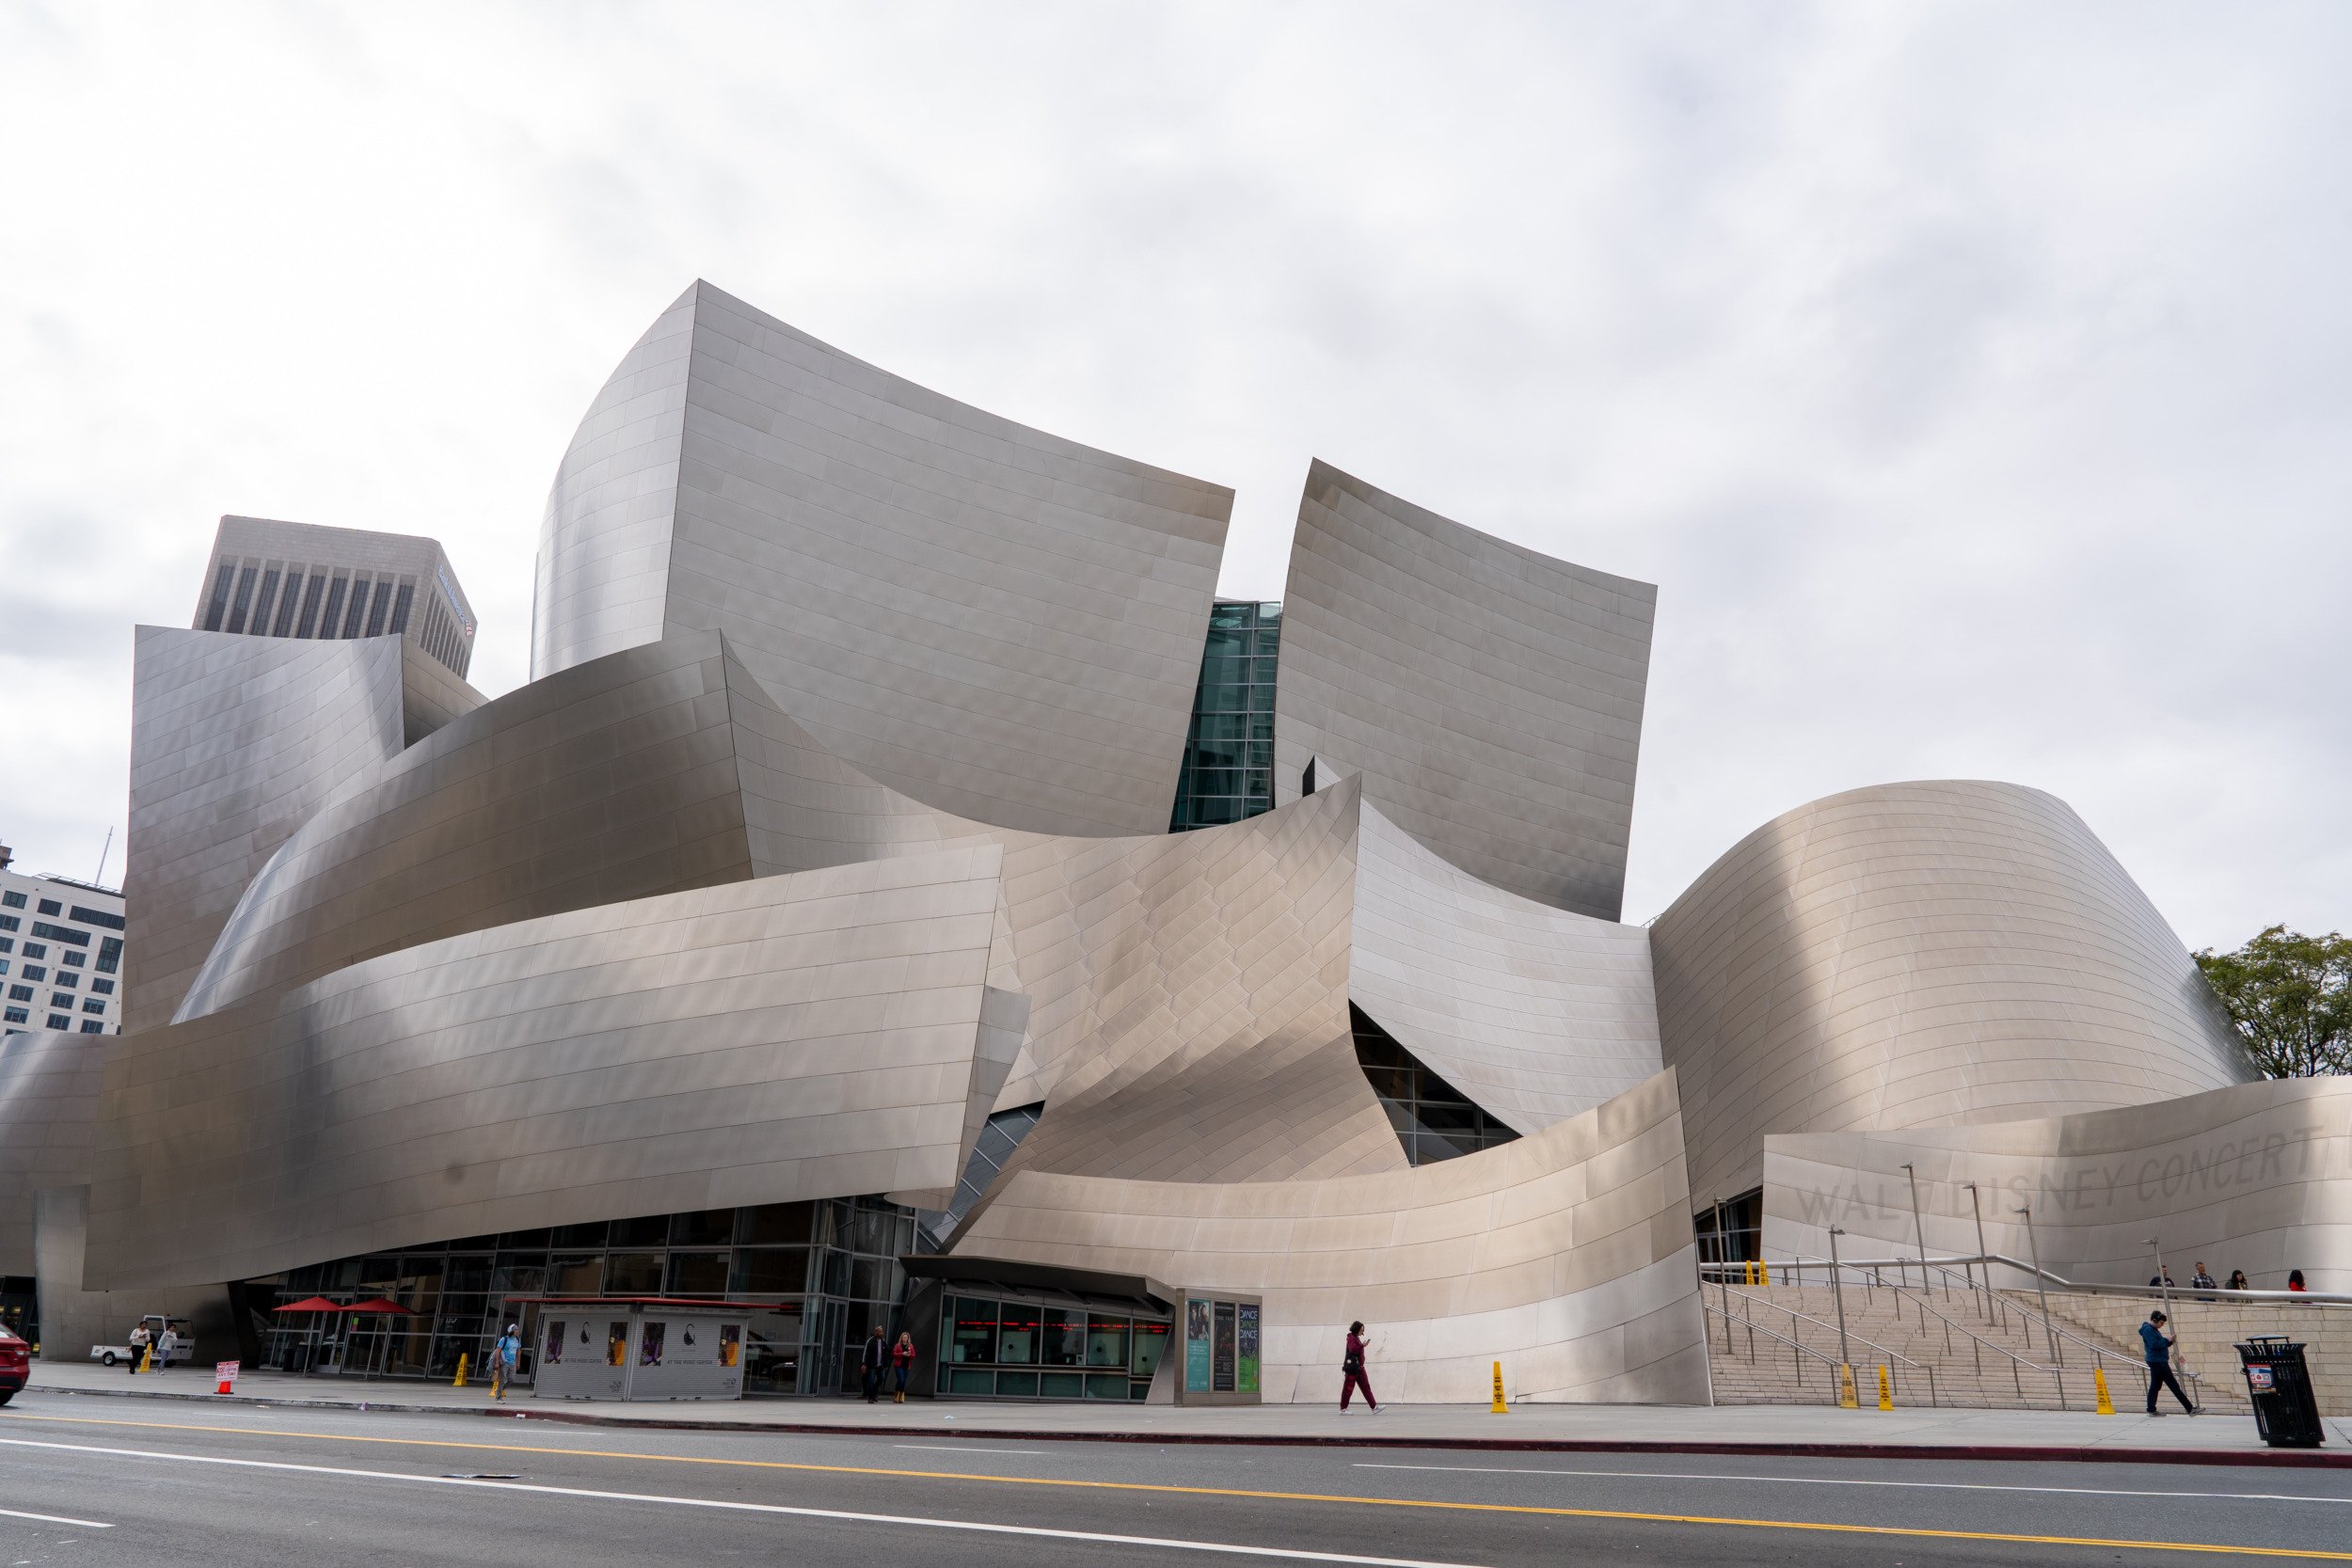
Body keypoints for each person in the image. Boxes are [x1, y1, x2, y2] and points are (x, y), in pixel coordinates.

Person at [2138, 1310, 2197, 1416]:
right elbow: (2155, 1345)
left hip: (2158, 1360)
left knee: (2155, 1386)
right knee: (2173, 1385)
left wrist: (2170, 1341)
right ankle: (2189, 1408)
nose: (2162, 1325)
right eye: (2161, 1323)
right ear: (2155, 1320)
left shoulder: (2153, 1330)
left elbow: (2161, 1344)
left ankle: (2151, 1408)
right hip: (2158, 1361)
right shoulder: (2148, 1330)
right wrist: (2166, 1339)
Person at [1339, 1321, 1380, 1414]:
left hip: (1359, 1368)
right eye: (1361, 1331)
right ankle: (1343, 1408)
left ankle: (1374, 1407)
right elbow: (1353, 1350)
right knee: (1348, 1388)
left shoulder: (1356, 1338)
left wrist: (1362, 1346)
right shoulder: (1351, 1338)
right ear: (1356, 1329)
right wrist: (1362, 1346)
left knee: (1366, 1387)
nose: (1362, 1333)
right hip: (1353, 1368)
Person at [492, 1323, 522, 1401]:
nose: (517, 1331)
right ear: (511, 1331)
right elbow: (498, 1351)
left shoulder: (517, 1340)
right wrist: (497, 1362)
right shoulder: (504, 1339)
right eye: (516, 1330)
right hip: (505, 1362)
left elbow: (518, 1351)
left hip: (513, 1362)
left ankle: (499, 1391)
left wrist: (518, 1362)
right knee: (502, 1379)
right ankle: (499, 1397)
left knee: (511, 1379)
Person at [860, 1324, 888, 1403]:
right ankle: (870, 1397)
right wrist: (864, 1364)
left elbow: (885, 1354)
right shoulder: (871, 1341)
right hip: (872, 1365)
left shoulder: (883, 1341)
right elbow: (866, 1353)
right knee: (871, 1380)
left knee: (882, 1377)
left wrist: (886, 1365)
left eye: (882, 1331)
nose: (882, 1333)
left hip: (880, 1365)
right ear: (876, 1332)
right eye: (880, 1331)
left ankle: (874, 1390)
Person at [892, 1331, 915, 1403]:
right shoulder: (898, 1345)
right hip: (899, 1365)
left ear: (908, 1338)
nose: (905, 1339)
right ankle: (896, 1395)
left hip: (907, 1365)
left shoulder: (910, 1346)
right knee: (901, 1380)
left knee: (904, 1381)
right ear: (901, 1338)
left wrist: (909, 1355)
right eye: (903, 1337)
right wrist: (902, 1354)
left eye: (906, 1337)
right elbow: (894, 1354)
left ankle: (901, 1396)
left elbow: (914, 1355)